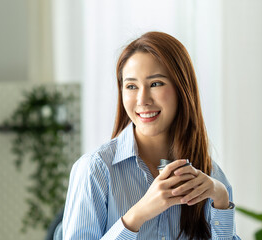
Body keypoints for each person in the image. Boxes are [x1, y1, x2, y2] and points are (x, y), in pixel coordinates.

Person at [62, 31, 241, 240]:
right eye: (131, 86)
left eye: (155, 84)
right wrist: (137, 216)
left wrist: (221, 199)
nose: (142, 99)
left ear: (182, 89)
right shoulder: (95, 170)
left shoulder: (210, 175)